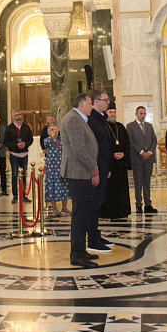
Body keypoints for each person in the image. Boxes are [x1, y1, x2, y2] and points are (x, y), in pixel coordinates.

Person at [60, 94, 100, 268]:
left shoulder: (78, 118)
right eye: (90, 104)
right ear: (82, 104)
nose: (92, 107)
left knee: (83, 212)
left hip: (81, 172)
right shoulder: (74, 119)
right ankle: (76, 254)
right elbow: (79, 149)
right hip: (78, 172)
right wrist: (93, 167)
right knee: (79, 214)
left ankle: (81, 250)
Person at [86, 89, 113, 253]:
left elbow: (105, 146)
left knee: (98, 204)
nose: (108, 102)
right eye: (105, 100)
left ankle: (96, 234)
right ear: (96, 101)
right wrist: (95, 171)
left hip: (103, 169)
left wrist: (107, 168)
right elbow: (91, 148)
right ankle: (92, 240)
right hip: (95, 170)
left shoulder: (101, 120)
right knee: (93, 205)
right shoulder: (91, 121)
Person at [101, 103, 130, 220]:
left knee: (121, 188)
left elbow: (127, 143)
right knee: (109, 189)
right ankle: (109, 212)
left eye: (114, 112)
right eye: (110, 112)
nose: (112, 114)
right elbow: (102, 145)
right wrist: (112, 154)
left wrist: (124, 153)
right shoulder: (103, 127)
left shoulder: (121, 127)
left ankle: (122, 211)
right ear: (106, 113)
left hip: (121, 164)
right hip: (110, 163)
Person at [126, 106, 158, 214]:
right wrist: (141, 152)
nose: (143, 115)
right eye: (141, 113)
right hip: (137, 158)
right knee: (138, 182)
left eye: (144, 113)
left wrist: (149, 152)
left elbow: (154, 140)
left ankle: (148, 204)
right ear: (136, 114)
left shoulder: (149, 126)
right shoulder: (130, 126)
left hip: (148, 158)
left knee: (147, 182)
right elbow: (130, 142)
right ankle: (139, 204)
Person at [5, 110, 33, 204]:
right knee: (15, 175)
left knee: (24, 174)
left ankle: (24, 195)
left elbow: (31, 139)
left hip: (24, 154)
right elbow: (6, 141)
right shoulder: (9, 128)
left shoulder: (26, 127)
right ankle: (15, 195)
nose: (18, 116)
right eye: (16, 115)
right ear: (13, 117)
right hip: (14, 154)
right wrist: (15, 145)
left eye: (19, 115)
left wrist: (25, 144)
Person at [43, 125, 69, 214]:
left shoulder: (61, 140)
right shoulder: (47, 140)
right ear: (48, 132)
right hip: (52, 166)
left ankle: (64, 207)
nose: (54, 131)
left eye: (56, 129)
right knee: (52, 185)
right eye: (52, 130)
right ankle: (54, 208)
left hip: (61, 165)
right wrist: (52, 136)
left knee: (64, 185)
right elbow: (46, 144)